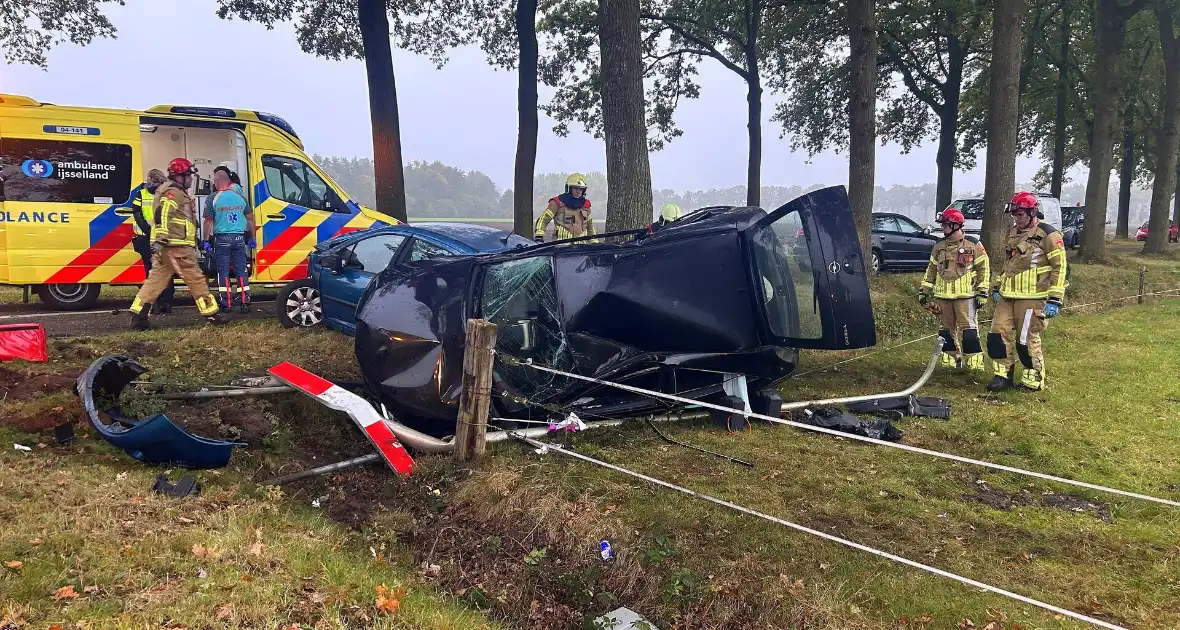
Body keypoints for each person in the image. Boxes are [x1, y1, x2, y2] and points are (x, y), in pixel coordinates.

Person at [129, 157, 226, 329]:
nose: (190, 179)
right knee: (196, 279)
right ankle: (212, 315)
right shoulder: (173, 193)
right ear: (179, 176)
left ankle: (138, 314)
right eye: (188, 175)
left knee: (156, 280)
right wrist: (162, 239)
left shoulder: (169, 190)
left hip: (168, 246)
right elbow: (164, 214)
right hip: (176, 246)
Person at [986, 191, 1068, 392]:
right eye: (1014, 214)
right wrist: (998, 286)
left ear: (1033, 212)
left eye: (1020, 214)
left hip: (1033, 297)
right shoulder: (1014, 232)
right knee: (997, 335)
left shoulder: (1049, 234)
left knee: (1025, 341)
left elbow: (1060, 266)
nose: (1016, 218)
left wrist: (1054, 299)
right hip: (1008, 296)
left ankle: (1033, 378)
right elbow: (1008, 263)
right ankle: (1002, 375)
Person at [918, 208, 990, 371]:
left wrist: (982, 291)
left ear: (955, 225)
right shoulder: (939, 246)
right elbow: (931, 270)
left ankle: (974, 363)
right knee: (945, 331)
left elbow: (983, 269)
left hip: (965, 297)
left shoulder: (973, 244)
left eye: (945, 225)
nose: (942, 228)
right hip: (943, 297)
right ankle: (951, 360)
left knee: (969, 331)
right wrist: (924, 291)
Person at [202, 166, 256, 313]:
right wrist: (252, 237)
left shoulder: (213, 198)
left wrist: (206, 240)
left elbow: (208, 221)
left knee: (223, 272)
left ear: (218, 181)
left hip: (222, 239)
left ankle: (226, 303)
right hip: (239, 238)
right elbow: (250, 219)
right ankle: (245, 301)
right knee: (241, 270)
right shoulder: (240, 197)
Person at [130, 169, 175, 313]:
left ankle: (154, 304)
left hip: (145, 237)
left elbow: (137, 214)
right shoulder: (168, 194)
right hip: (163, 238)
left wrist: (149, 231)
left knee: (151, 272)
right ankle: (166, 304)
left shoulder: (141, 193)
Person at [534, 173, 595, 242]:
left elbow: (590, 227)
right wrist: (539, 236)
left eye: (581, 189)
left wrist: (594, 244)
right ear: (569, 188)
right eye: (576, 188)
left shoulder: (586, 205)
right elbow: (543, 220)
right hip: (560, 246)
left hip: (581, 247)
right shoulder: (557, 202)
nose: (579, 191)